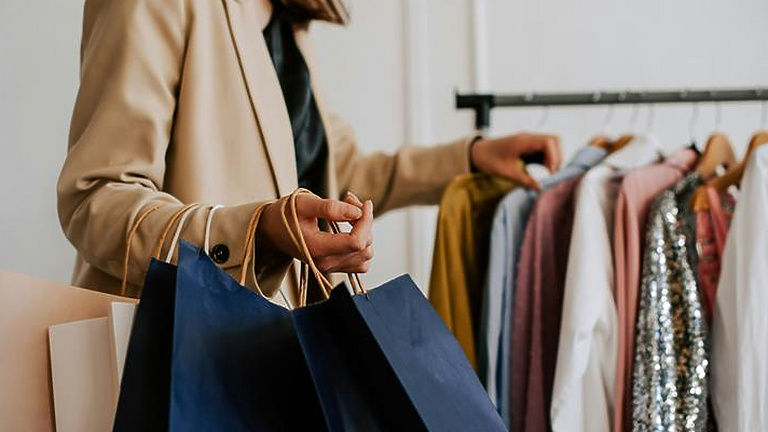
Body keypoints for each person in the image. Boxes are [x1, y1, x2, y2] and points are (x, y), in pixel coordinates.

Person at [57, 0, 561, 305]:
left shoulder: (290, 19)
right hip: (178, 360)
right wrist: (256, 232)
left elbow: (341, 173)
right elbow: (96, 199)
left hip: (276, 350)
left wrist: (469, 158)